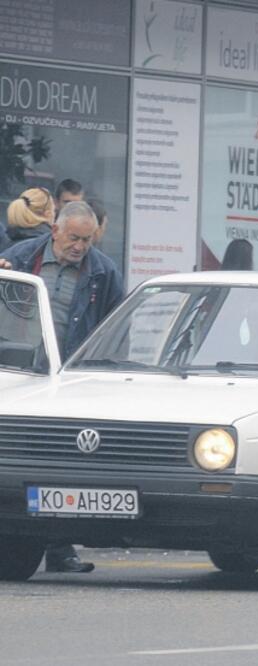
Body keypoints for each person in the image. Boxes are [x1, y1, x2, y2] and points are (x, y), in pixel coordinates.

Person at [0, 201, 125, 574]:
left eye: (87, 240)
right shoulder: (20, 258)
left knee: (60, 463)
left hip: (69, 377)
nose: (80, 247)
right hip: (20, 370)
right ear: (54, 230)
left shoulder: (103, 271)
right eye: (74, 238)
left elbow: (115, 328)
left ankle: (59, 547)